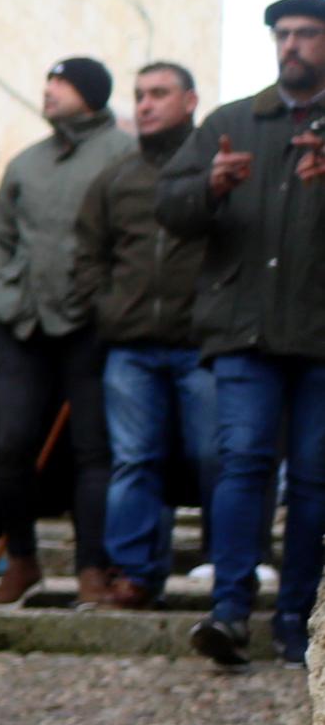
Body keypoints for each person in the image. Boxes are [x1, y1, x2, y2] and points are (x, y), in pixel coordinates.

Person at [158, 0, 325, 663]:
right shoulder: (230, 122)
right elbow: (168, 206)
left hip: (319, 336)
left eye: (306, 34)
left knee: (314, 478)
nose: (291, 45)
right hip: (242, 330)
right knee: (238, 461)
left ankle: (296, 620)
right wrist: (211, 187)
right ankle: (227, 612)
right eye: (282, 34)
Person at [0, 57, 133, 604]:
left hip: (91, 325)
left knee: (94, 451)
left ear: (90, 93)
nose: (48, 90)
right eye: (47, 80)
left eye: (61, 83)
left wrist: (111, 304)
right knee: (11, 446)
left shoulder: (123, 154)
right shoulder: (26, 163)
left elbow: (133, 237)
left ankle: (92, 568)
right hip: (22, 320)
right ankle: (22, 562)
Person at [76, 62, 210, 614]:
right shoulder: (116, 178)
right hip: (130, 344)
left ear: (190, 100)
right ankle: (133, 574)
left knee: (215, 456)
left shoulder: (216, 171)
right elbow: (88, 255)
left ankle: (231, 570)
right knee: (134, 460)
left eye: (159, 94)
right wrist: (106, 310)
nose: (146, 104)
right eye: (139, 95)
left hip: (203, 341)